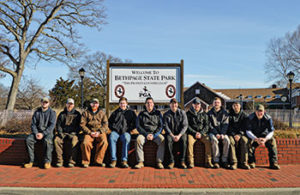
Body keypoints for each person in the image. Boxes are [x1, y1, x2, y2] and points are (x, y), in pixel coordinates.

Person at [24, 97, 56, 169]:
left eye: (46, 102)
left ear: (49, 103)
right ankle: (32, 161)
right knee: (29, 140)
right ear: (41, 102)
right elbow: (33, 124)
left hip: (48, 133)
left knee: (47, 141)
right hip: (37, 133)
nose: (44, 103)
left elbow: (52, 126)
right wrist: (36, 133)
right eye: (43, 102)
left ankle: (47, 162)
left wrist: (43, 134)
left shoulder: (52, 113)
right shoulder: (37, 112)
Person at [246, 104, 280, 170]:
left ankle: (274, 163)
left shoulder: (268, 118)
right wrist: (255, 138)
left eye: (261, 111)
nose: (260, 113)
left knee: (273, 141)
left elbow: (271, 131)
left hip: (265, 136)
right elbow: (248, 131)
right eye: (258, 111)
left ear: (264, 111)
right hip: (254, 136)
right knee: (249, 144)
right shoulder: (250, 118)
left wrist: (265, 139)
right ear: (255, 112)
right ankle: (251, 162)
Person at [134, 97, 165, 169]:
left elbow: (160, 126)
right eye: (148, 103)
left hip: (155, 134)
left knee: (162, 139)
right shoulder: (141, 114)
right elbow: (138, 126)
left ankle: (159, 162)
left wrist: (154, 135)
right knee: (138, 139)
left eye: (151, 103)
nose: (149, 104)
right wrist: (146, 134)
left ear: (153, 104)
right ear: (145, 104)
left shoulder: (158, 113)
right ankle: (140, 162)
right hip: (144, 134)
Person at [108, 97, 137, 168]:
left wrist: (129, 129)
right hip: (116, 132)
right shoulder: (115, 112)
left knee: (127, 138)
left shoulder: (131, 112)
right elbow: (109, 123)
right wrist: (113, 129)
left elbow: (135, 123)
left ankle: (124, 160)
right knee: (111, 137)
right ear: (119, 104)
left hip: (126, 132)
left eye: (124, 103)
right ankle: (113, 160)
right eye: (121, 103)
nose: (122, 105)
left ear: (126, 104)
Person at [80, 98, 109, 168]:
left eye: (96, 103)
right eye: (93, 103)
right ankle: (86, 161)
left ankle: (98, 161)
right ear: (90, 104)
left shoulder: (102, 113)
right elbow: (82, 125)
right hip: (89, 131)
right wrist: (89, 132)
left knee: (104, 142)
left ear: (98, 104)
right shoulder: (85, 113)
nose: (94, 105)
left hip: (100, 132)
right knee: (85, 143)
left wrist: (99, 132)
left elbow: (105, 124)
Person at [186, 97, 213, 169]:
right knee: (189, 142)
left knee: (208, 141)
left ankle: (208, 161)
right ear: (192, 105)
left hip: (202, 133)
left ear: (200, 105)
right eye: (195, 104)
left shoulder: (204, 114)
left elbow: (207, 125)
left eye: (198, 104)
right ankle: (190, 162)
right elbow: (187, 126)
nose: (197, 106)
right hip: (192, 134)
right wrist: (195, 133)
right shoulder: (188, 114)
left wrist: (201, 133)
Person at [54, 98, 81, 168]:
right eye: (68, 104)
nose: (70, 105)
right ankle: (59, 161)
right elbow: (58, 125)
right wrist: (60, 133)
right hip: (63, 133)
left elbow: (80, 126)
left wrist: (74, 133)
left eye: (71, 104)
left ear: (73, 105)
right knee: (56, 140)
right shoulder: (62, 114)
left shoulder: (77, 114)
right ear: (66, 104)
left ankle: (72, 161)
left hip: (73, 133)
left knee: (75, 141)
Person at [164, 98, 188, 169]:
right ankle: (171, 161)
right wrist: (172, 135)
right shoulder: (166, 114)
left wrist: (179, 135)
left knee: (184, 140)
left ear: (177, 104)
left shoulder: (182, 113)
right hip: (170, 133)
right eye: (172, 104)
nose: (173, 105)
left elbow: (185, 125)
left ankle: (182, 161)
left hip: (180, 133)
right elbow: (165, 126)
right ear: (170, 105)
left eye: (175, 103)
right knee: (168, 140)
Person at [207, 97, 230, 169]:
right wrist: (216, 133)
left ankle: (224, 160)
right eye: (215, 102)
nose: (216, 104)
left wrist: (222, 134)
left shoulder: (225, 113)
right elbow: (209, 125)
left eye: (218, 102)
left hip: (223, 133)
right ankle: (216, 161)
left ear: (221, 104)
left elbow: (226, 124)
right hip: (212, 132)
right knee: (214, 140)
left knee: (227, 140)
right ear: (213, 104)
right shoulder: (209, 113)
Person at [228, 102, 250, 170]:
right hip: (232, 134)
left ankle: (244, 162)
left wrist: (239, 135)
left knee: (244, 141)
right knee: (231, 141)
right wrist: (234, 135)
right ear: (232, 107)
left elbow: (246, 127)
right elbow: (228, 126)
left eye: (237, 105)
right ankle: (234, 162)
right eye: (234, 105)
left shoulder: (245, 115)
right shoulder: (229, 115)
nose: (236, 107)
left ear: (240, 106)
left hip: (242, 134)